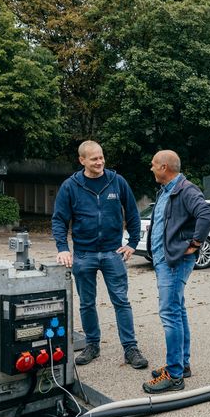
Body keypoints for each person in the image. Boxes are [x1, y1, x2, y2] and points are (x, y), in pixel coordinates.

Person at [52, 140, 148, 369]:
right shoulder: (70, 186)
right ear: (82, 160)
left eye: (101, 157)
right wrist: (62, 248)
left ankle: (130, 348)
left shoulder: (117, 181)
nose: (100, 162)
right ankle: (92, 345)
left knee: (121, 301)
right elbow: (59, 219)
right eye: (94, 158)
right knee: (86, 303)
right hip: (83, 254)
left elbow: (133, 214)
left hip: (112, 252)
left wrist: (133, 242)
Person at [142, 150, 210, 393]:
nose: (151, 168)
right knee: (177, 311)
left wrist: (194, 245)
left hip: (174, 263)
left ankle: (174, 376)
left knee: (170, 314)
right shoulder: (166, 190)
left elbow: (206, 213)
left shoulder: (186, 189)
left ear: (164, 167)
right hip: (165, 260)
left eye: (153, 165)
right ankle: (181, 365)